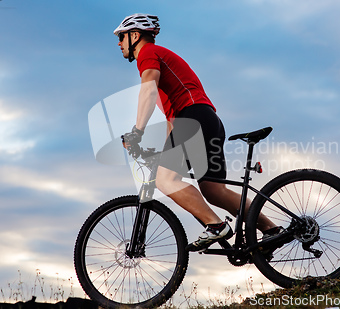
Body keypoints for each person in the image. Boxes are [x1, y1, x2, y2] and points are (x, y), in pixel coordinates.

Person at [115, 13, 281, 251]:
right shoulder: (161, 70)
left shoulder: (148, 53)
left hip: (194, 119)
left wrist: (137, 131)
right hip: (205, 120)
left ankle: (215, 225)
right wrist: (158, 154)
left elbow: (147, 92)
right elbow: (172, 123)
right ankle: (272, 230)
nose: (119, 43)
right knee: (214, 191)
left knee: (165, 179)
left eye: (121, 37)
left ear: (135, 35)